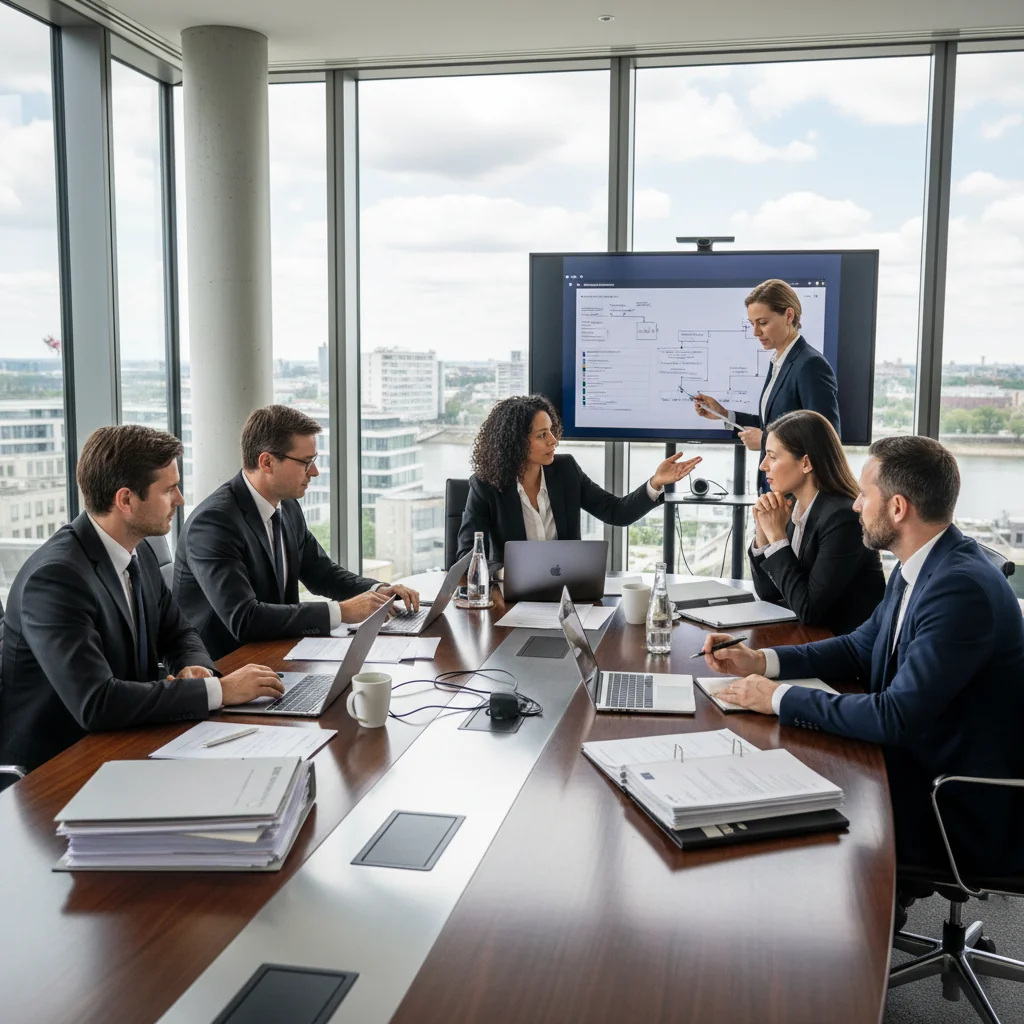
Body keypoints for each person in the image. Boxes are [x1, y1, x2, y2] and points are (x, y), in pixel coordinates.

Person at [702, 435, 1024, 880]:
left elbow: (894, 716)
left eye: (863, 495)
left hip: (948, 801)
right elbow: (859, 646)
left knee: (780, 821)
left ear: (897, 508)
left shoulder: (959, 589)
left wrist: (777, 697)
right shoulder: (922, 563)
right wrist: (762, 661)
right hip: (913, 765)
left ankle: (865, 928)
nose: (855, 505)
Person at [0, 426, 285, 774]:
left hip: (125, 742)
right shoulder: (56, 578)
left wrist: (193, 669)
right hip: (57, 772)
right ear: (125, 500)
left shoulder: (140, 551)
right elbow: (97, 702)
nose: (180, 499)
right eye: (168, 489)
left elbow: (179, 633)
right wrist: (219, 690)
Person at [174, 405, 419, 661]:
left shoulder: (287, 505)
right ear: (266, 462)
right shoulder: (214, 523)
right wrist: (341, 612)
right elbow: (244, 619)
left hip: (276, 651)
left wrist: (378, 589)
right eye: (305, 462)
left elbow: (322, 573)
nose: (314, 472)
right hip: (228, 665)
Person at [456, 394, 701, 565]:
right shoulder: (486, 485)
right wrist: (494, 585)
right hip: (511, 597)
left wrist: (656, 482)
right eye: (543, 435)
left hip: (567, 591)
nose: (553, 440)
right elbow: (466, 556)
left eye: (552, 430)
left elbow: (616, 512)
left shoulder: (565, 470)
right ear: (515, 443)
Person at [693, 279, 840, 491]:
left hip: (797, 495)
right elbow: (773, 423)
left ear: (789, 316)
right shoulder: (778, 362)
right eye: (752, 323)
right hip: (775, 491)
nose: (755, 332)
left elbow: (827, 437)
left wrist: (764, 441)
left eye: (762, 323)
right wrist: (724, 414)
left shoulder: (810, 364)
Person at [748, 410, 884, 634]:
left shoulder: (843, 518)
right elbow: (770, 594)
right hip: (810, 639)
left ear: (806, 463)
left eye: (772, 457)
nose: (763, 465)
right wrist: (763, 533)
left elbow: (809, 610)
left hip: (844, 652)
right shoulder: (791, 505)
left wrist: (777, 537)